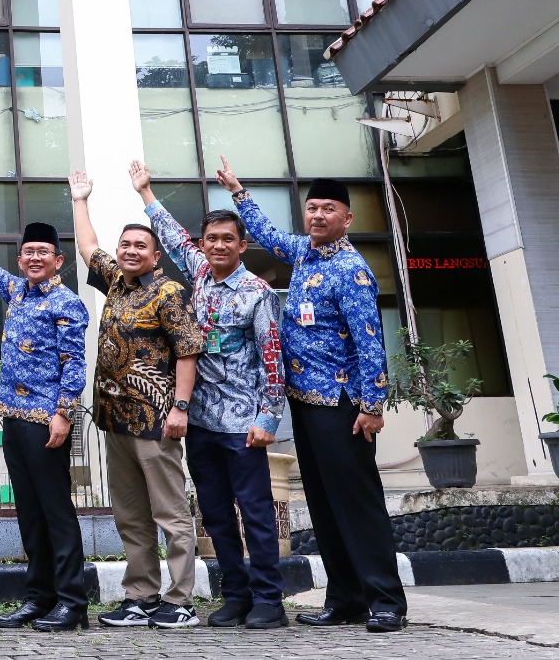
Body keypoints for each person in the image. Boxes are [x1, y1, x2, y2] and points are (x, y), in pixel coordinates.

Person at [215, 157, 407, 633]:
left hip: (344, 408)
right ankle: (345, 600)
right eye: (312, 207)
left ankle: (386, 601)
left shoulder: (351, 269)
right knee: (323, 506)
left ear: (347, 218)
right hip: (305, 406)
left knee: (358, 505)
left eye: (328, 209)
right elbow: (268, 235)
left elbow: (369, 340)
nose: (318, 215)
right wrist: (239, 192)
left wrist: (372, 406)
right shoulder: (304, 252)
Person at [129, 159, 288, 629]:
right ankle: (235, 595)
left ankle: (269, 600)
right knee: (215, 514)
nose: (217, 246)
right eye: (211, 239)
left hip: (243, 425)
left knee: (255, 513)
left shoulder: (257, 293)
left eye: (227, 239)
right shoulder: (198, 273)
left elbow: (273, 361)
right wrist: (146, 193)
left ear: (242, 245)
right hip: (199, 421)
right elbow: (173, 236)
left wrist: (268, 418)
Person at [69, 171, 204, 630]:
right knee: (130, 516)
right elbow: (88, 248)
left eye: (139, 246)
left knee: (170, 513)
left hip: (156, 421)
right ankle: (141, 596)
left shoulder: (168, 293)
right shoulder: (117, 283)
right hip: (115, 421)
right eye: (125, 244)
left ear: (155, 254)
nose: (129, 251)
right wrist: (79, 199)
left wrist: (181, 408)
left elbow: (188, 351)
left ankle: (179, 599)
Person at [0, 188, 91, 633]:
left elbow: (75, 362)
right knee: (29, 513)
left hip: (46, 422)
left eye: (44, 253)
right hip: (13, 418)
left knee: (56, 511)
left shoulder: (66, 302)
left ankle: (73, 603)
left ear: (59, 260)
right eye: (28, 252)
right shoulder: (17, 291)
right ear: (20, 259)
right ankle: (39, 597)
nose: (35, 258)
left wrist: (64, 413)